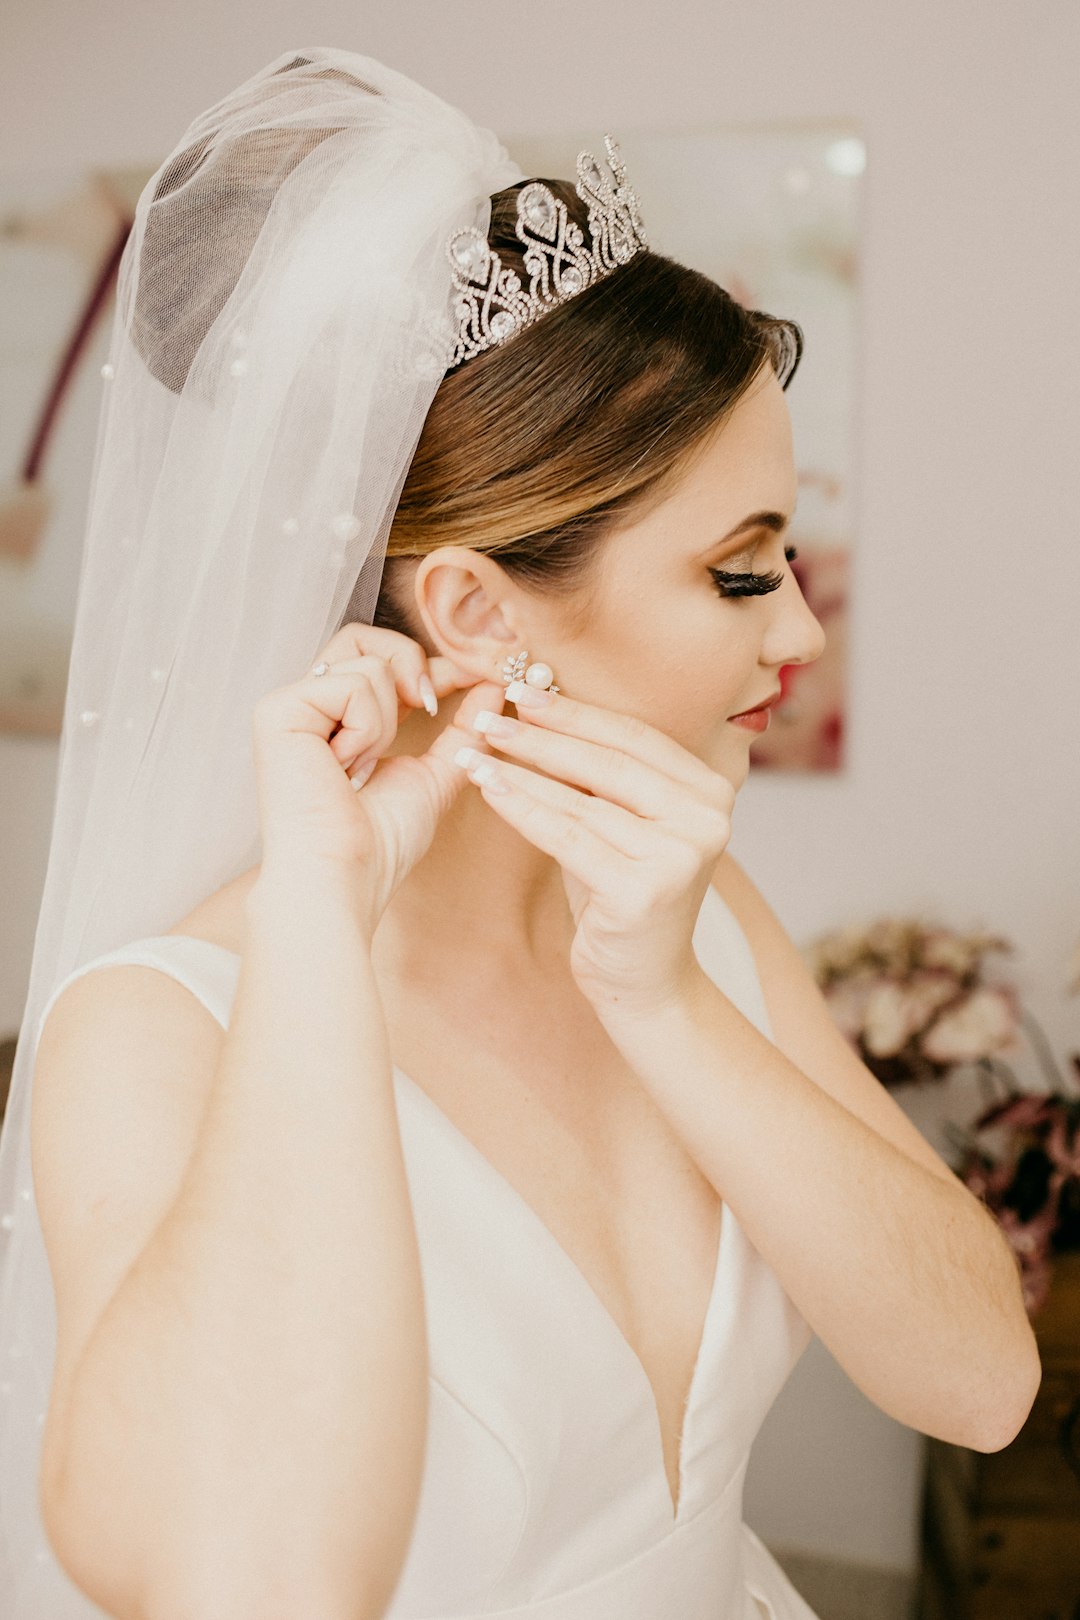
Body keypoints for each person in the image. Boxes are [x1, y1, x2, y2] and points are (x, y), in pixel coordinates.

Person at [0, 43, 1039, 1620]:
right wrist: (316, 922)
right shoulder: (155, 1030)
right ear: (475, 612)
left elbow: (983, 1385)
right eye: (745, 574)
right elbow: (250, 1582)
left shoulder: (691, 916)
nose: (804, 637)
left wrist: (666, 1000)